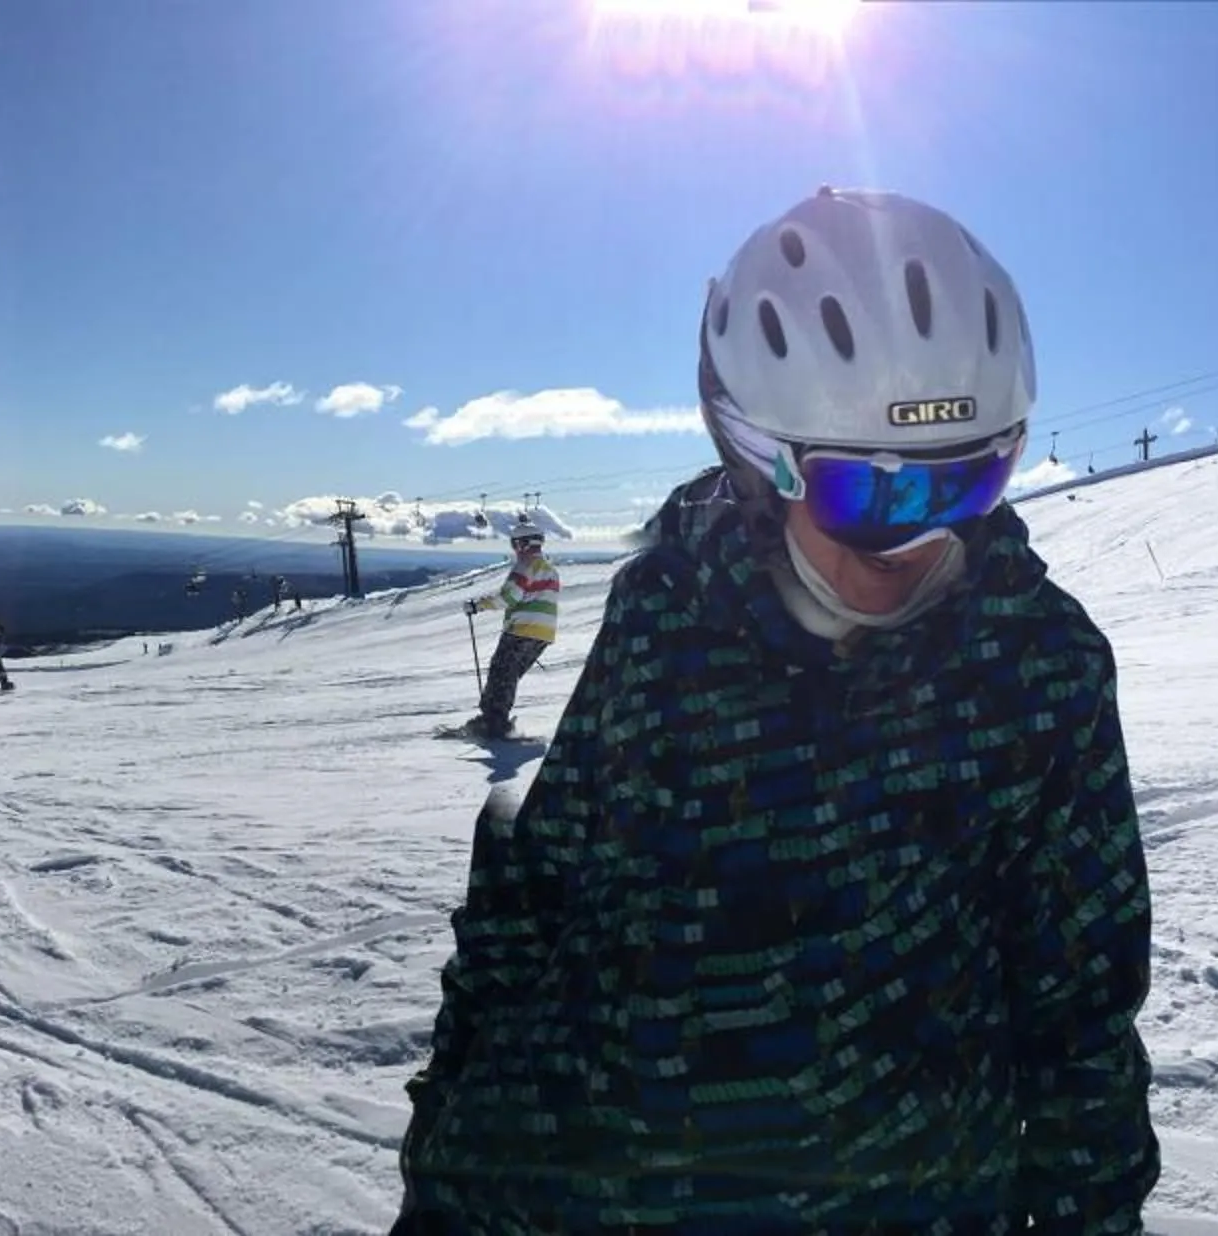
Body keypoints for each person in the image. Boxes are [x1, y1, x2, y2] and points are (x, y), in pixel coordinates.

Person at [396, 187, 1156, 1230]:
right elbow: (540, 895)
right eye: (868, 495)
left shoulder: (1041, 669)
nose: (919, 544)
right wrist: (451, 1165)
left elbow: (1083, 1024)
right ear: (759, 465)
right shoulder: (669, 609)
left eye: (967, 483)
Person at [457, 517, 559, 738]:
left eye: (515, 544)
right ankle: (494, 718)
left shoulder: (525, 565)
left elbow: (508, 598)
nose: (515, 550)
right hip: (544, 634)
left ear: (523, 544)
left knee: (500, 672)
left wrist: (477, 605)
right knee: (509, 674)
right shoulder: (549, 568)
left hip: (522, 629)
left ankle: (493, 722)